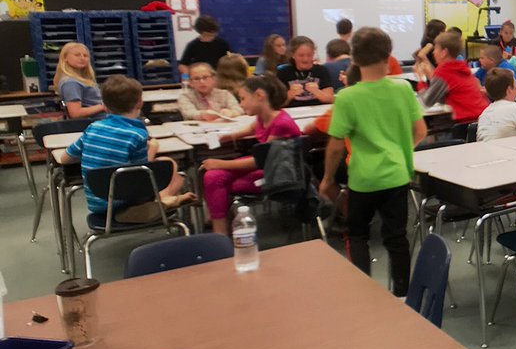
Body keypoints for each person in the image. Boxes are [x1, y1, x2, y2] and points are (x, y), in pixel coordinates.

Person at [319, 27, 426, 297]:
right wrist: (400, 151)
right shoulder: (403, 89)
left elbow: (334, 147)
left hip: (363, 179)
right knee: (396, 237)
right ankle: (402, 293)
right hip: (397, 175)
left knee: (357, 234)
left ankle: (363, 292)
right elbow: (420, 131)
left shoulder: (347, 97)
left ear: (353, 57)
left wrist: (328, 179)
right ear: (388, 55)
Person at [64, 75, 193, 223]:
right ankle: (157, 204)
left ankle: (160, 202)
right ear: (140, 103)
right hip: (126, 200)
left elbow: (65, 158)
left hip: (97, 203)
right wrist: (153, 148)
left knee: (173, 174)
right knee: (169, 164)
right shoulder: (137, 135)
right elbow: (141, 170)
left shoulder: (92, 128)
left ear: (104, 105)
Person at [200, 74, 300, 235]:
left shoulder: (281, 124)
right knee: (212, 178)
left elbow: (259, 161)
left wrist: (219, 163)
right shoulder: (264, 116)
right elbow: (251, 129)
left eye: (243, 98)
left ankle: (221, 233)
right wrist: (230, 136)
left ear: (259, 95)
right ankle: (220, 232)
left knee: (218, 182)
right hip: (267, 166)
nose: (241, 104)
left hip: (277, 174)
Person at [413, 30, 488, 123]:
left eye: (436, 49)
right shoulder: (461, 67)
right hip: (482, 118)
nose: (433, 53)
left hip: (464, 123)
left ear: (444, 52)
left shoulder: (444, 71)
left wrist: (421, 78)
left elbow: (425, 102)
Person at [275, 35, 334, 106]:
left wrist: (317, 92)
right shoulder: (283, 73)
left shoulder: (321, 71)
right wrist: (290, 94)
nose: (305, 59)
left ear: (313, 54)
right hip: (293, 113)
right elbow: (276, 104)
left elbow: (330, 99)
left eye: (309, 55)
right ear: (293, 55)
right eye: (301, 55)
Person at [52, 41, 104, 119]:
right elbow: (75, 113)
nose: (82, 58)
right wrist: (102, 107)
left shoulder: (81, 80)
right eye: (77, 55)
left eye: (85, 55)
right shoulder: (71, 83)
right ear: (65, 58)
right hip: (97, 124)